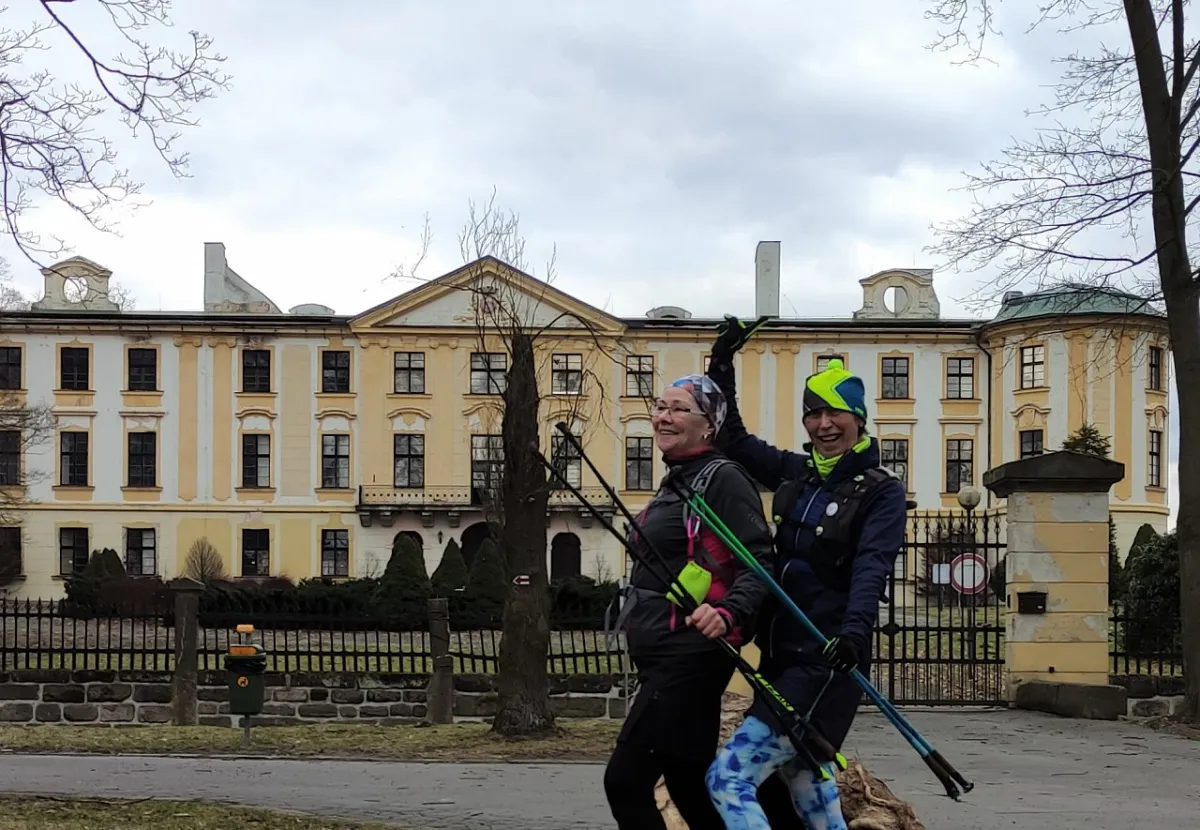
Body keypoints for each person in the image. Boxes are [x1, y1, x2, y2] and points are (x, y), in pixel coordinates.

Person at [702, 327, 908, 830]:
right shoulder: (799, 474)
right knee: (805, 782)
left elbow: (872, 566)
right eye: (813, 413)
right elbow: (735, 441)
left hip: (824, 662)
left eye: (835, 413)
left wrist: (854, 634)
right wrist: (722, 365)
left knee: (728, 778)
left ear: (858, 418)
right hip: (780, 658)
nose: (823, 424)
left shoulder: (881, 492)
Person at [604, 373, 774, 830]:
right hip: (663, 652)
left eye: (679, 409)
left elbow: (759, 561)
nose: (664, 417)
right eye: (661, 407)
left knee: (625, 782)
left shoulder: (723, 479)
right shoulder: (676, 480)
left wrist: (729, 612)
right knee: (688, 783)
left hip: (689, 654)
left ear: (709, 425)